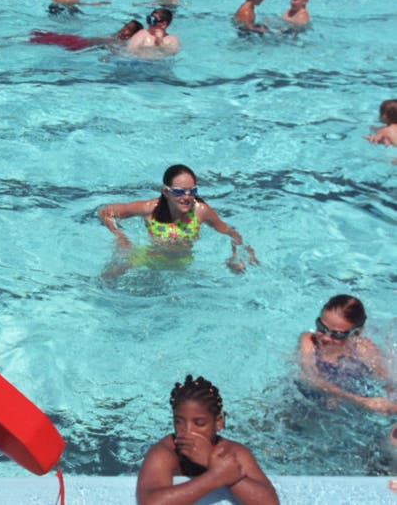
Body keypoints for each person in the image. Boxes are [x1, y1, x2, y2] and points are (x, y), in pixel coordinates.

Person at [136, 375, 279, 505]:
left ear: (218, 422)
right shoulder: (164, 453)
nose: (187, 431)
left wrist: (216, 465)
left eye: (199, 423)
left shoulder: (233, 451)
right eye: (179, 422)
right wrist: (214, 477)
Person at [98, 164, 258, 275]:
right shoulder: (150, 208)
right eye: (179, 192)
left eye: (192, 191)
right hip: (148, 259)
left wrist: (238, 254)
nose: (187, 197)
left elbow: (230, 232)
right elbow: (105, 212)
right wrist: (121, 237)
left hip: (182, 266)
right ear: (166, 192)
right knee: (109, 277)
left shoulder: (200, 211)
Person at [296, 295, 396, 414]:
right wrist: (361, 401)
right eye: (321, 327)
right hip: (306, 400)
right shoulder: (309, 341)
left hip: (347, 410)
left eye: (337, 334)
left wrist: (386, 404)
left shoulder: (364, 350)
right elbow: (310, 378)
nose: (326, 337)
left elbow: (389, 383)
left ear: (357, 332)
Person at [29, 20, 143, 51]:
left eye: (128, 29)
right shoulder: (116, 37)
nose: (123, 29)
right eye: (125, 26)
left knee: (40, 40)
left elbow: (113, 50)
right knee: (43, 34)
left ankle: (19, 41)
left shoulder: (121, 43)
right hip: (78, 40)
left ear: (133, 35)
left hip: (79, 45)